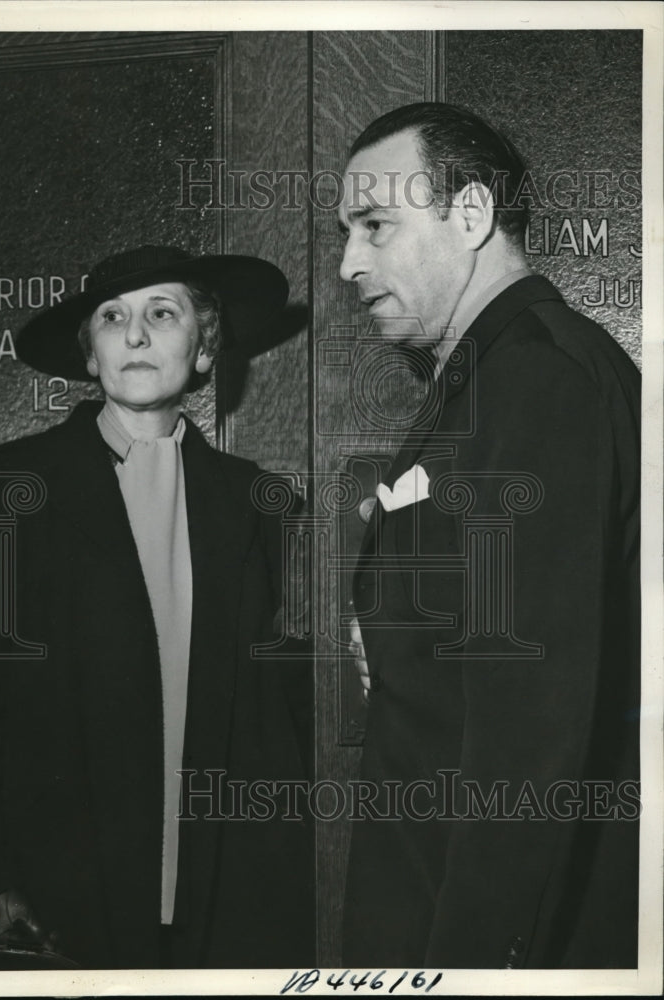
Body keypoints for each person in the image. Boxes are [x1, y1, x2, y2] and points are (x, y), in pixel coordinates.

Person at [0, 244, 313, 970]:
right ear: (91, 357)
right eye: (112, 318)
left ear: (203, 352)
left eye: (162, 314)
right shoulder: (2, 490)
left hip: (230, 897)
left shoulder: (266, 505)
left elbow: (292, 709)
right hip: (58, 892)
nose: (134, 334)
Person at [339, 104, 640, 969]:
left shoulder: (537, 379)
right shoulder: (491, 376)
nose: (349, 262)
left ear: (469, 215)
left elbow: (531, 719)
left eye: (374, 226)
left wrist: (480, 958)